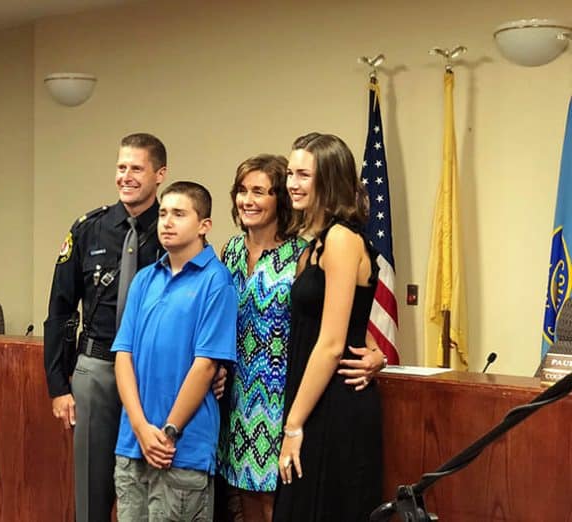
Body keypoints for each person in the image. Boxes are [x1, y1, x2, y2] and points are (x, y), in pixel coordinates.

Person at [43, 133, 166, 522]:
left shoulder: (173, 230)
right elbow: (60, 310)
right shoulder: (88, 230)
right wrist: (59, 386)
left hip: (152, 373)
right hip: (95, 370)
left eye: (137, 168)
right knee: (92, 494)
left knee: (149, 491)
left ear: (159, 174)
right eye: (121, 167)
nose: (126, 176)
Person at [273, 133, 383, 522]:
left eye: (304, 174)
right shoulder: (311, 244)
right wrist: (375, 348)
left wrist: (293, 425)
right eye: (290, 173)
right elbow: (344, 317)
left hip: (334, 403)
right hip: (310, 395)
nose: (292, 183)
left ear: (329, 179)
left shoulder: (340, 239)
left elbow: (334, 342)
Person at [112, 181, 237, 521]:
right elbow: (123, 355)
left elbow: (206, 366)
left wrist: (167, 432)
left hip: (180, 449)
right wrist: (140, 427)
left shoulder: (217, 281)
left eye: (179, 214)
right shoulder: (144, 279)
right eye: (163, 213)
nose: (166, 221)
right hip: (133, 443)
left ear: (204, 225)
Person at [217, 154, 307, 521]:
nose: (247, 200)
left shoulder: (300, 254)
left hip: (279, 395)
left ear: (279, 200)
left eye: (259, 191)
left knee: (275, 499)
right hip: (235, 392)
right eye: (242, 191)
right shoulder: (231, 250)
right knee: (241, 495)